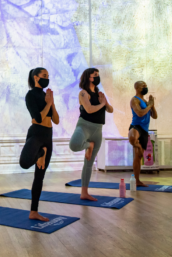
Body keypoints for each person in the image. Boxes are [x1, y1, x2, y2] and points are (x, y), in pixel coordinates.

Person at [19, 67, 60, 221]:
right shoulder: (31, 95)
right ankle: (40, 153)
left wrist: (52, 103)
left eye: (48, 76)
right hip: (36, 134)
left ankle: (34, 211)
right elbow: (36, 118)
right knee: (24, 163)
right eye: (44, 75)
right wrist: (48, 104)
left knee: (39, 176)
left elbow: (56, 120)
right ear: (36, 77)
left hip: (48, 136)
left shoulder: (46, 95)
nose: (46, 78)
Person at [69, 68, 113, 201]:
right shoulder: (83, 93)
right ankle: (89, 145)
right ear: (89, 77)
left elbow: (110, 110)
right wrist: (102, 105)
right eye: (95, 75)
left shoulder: (99, 94)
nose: (98, 77)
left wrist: (104, 102)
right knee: (75, 145)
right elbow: (89, 109)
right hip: (84, 126)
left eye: (98, 75)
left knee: (88, 163)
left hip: (97, 130)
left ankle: (84, 192)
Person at [128, 81, 158, 187]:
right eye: (143, 86)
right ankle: (136, 144)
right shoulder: (135, 100)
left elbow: (154, 116)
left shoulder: (145, 101)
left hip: (145, 130)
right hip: (136, 126)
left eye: (146, 86)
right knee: (133, 138)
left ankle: (137, 181)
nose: (145, 87)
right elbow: (140, 113)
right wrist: (149, 105)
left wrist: (152, 105)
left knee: (139, 156)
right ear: (137, 88)